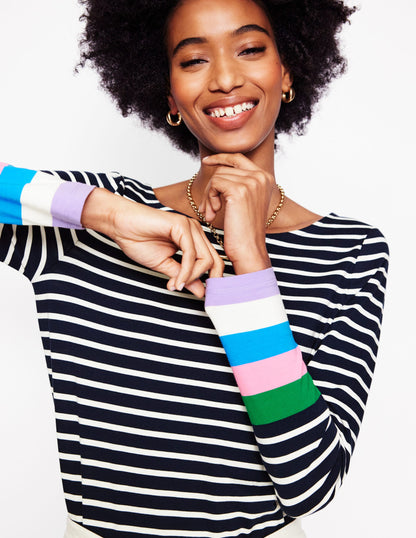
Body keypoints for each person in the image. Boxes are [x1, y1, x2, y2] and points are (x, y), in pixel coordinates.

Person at [0, 0, 389, 537]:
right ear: (171, 98)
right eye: (193, 61)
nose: (226, 78)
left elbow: (310, 486)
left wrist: (250, 269)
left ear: (287, 72)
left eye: (250, 49)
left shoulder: (351, 251)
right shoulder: (95, 220)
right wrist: (108, 213)